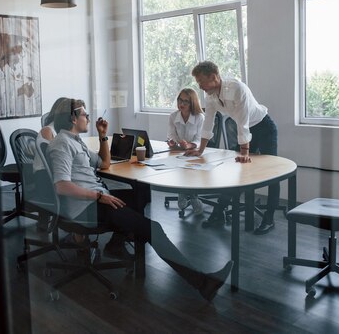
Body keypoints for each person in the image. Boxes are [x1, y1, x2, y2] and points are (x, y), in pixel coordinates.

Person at [46, 97, 233, 301]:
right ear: (73, 118)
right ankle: (203, 284)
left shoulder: (75, 141)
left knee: (140, 194)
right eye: (84, 114)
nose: (88, 117)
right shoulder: (62, 144)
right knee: (154, 229)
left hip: (96, 198)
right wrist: (99, 196)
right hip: (86, 208)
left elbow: (104, 163)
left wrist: (102, 136)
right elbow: (61, 186)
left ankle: (116, 243)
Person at [185, 61, 279, 235]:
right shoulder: (211, 95)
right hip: (246, 131)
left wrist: (244, 153)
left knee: (272, 174)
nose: (200, 86)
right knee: (238, 174)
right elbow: (208, 123)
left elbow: (242, 122)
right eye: (198, 83)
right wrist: (200, 150)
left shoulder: (237, 88)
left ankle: (269, 218)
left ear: (213, 77)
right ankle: (218, 213)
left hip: (264, 128)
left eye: (201, 82)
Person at [167, 88, 205, 215]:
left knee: (190, 170)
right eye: (179, 100)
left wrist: (190, 145)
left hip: (196, 153)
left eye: (185, 101)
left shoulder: (200, 117)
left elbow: (200, 139)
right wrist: (172, 142)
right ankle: (189, 195)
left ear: (192, 103)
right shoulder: (173, 116)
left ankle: (189, 195)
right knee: (175, 167)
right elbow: (171, 135)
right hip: (178, 152)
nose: (181, 104)